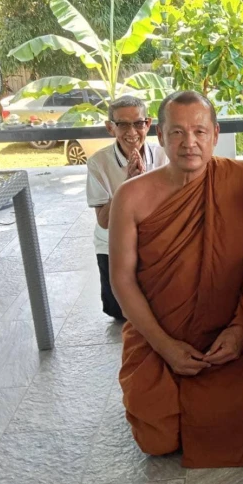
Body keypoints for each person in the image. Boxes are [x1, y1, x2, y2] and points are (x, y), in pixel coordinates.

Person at [108, 91, 243, 468]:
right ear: (160, 136)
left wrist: (240, 329)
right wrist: (165, 345)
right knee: (157, 439)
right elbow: (121, 280)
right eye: (177, 132)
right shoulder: (130, 197)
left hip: (225, 334)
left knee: (232, 424)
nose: (190, 143)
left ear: (215, 134)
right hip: (157, 331)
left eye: (199, 131)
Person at [86, 95, 164, 320]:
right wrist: (128, 184)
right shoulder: (98, 163)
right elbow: (104, 221)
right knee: (119, 312)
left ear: (148, 124)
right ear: (110, 127)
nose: (132, 132)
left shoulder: (163, 155)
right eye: (122, 124)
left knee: (161, 304)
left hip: (153, 238)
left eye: (138, 123)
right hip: (113, 243)